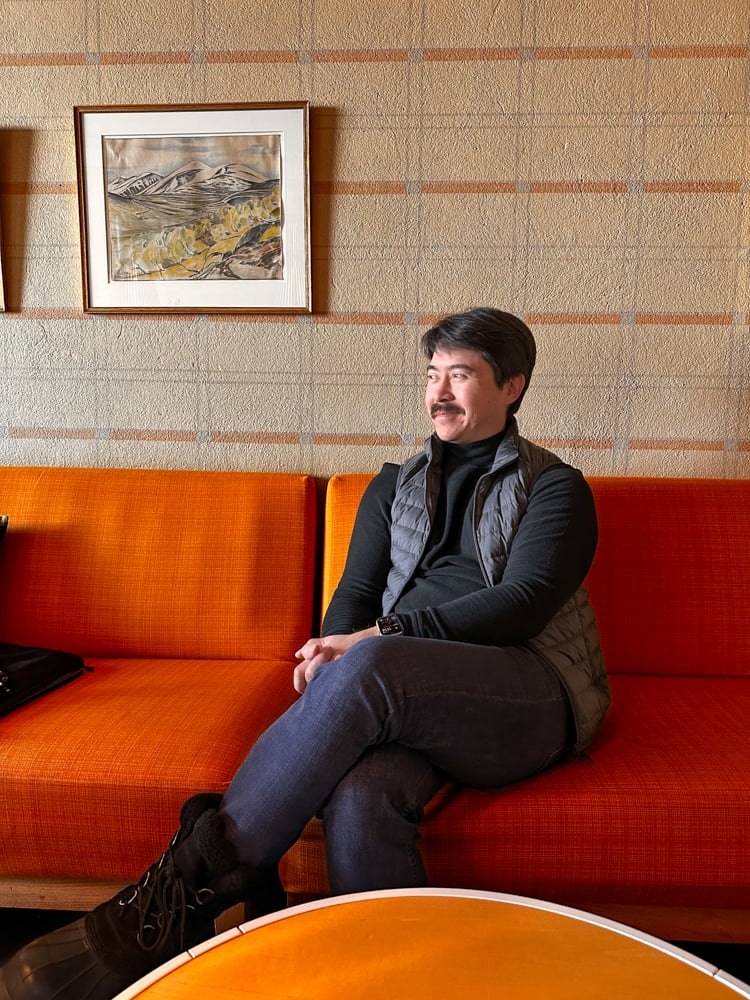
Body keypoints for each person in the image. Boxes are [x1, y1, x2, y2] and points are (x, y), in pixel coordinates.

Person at [0, 307, 609, 1000]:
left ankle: (184, 894)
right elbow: (353, 595)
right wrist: (330, 652)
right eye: (432, 373)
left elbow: (523, 603)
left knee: (375, 667)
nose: (439, 391)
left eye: (461, 375)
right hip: (409, 693)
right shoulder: (394, 486)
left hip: (525, 692)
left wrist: (375, 643)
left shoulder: (557, 488)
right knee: (360, 796)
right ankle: (386, 978)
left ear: (513, 387)